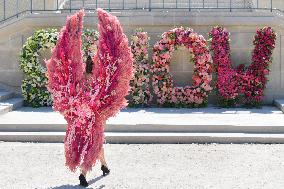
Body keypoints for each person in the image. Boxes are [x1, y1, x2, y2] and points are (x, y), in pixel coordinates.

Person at [78, 55, 110, 187]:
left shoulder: (82, 78)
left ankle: (104, 165)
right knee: (95, 142)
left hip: (83, 113)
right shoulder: (97, 79)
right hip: (97, 113)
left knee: (93, 141)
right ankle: (83, 173)